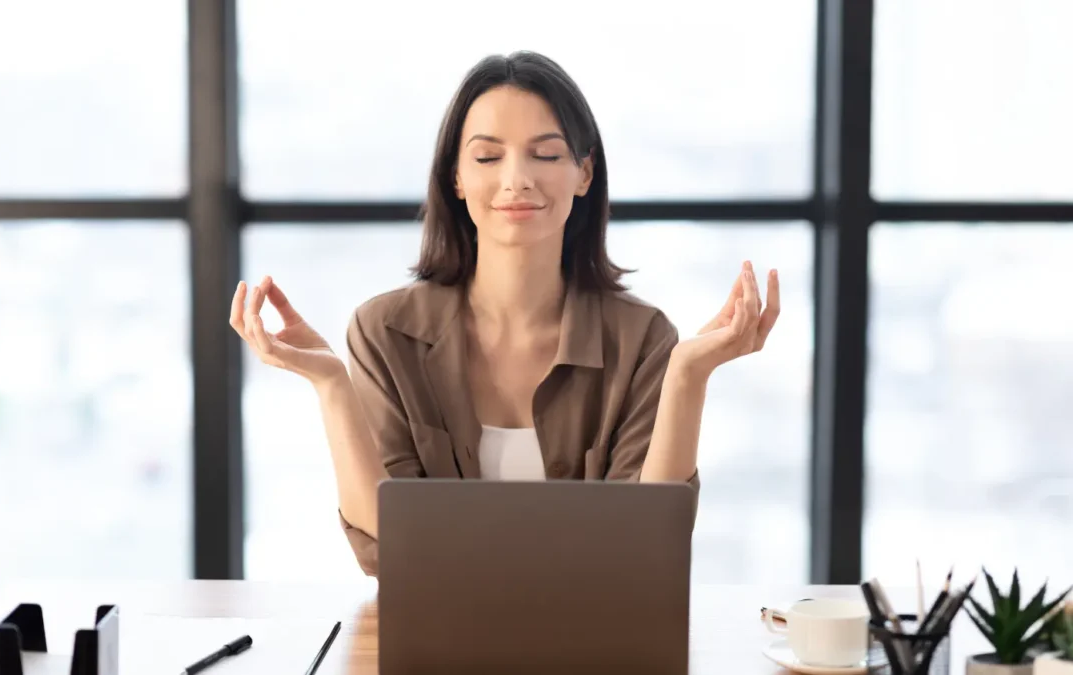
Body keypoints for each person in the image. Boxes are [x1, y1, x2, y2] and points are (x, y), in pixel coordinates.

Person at [228, 51, 779, 577]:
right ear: (457, 178)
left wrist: (689, 373)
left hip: (595, 639)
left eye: (546, 154)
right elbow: (390, 544)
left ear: (584, 174)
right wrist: (331, 385)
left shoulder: (644, 338)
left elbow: (646, 547)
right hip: (438, 636)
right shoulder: (385, 332)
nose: (517, 179)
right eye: (488, 157)